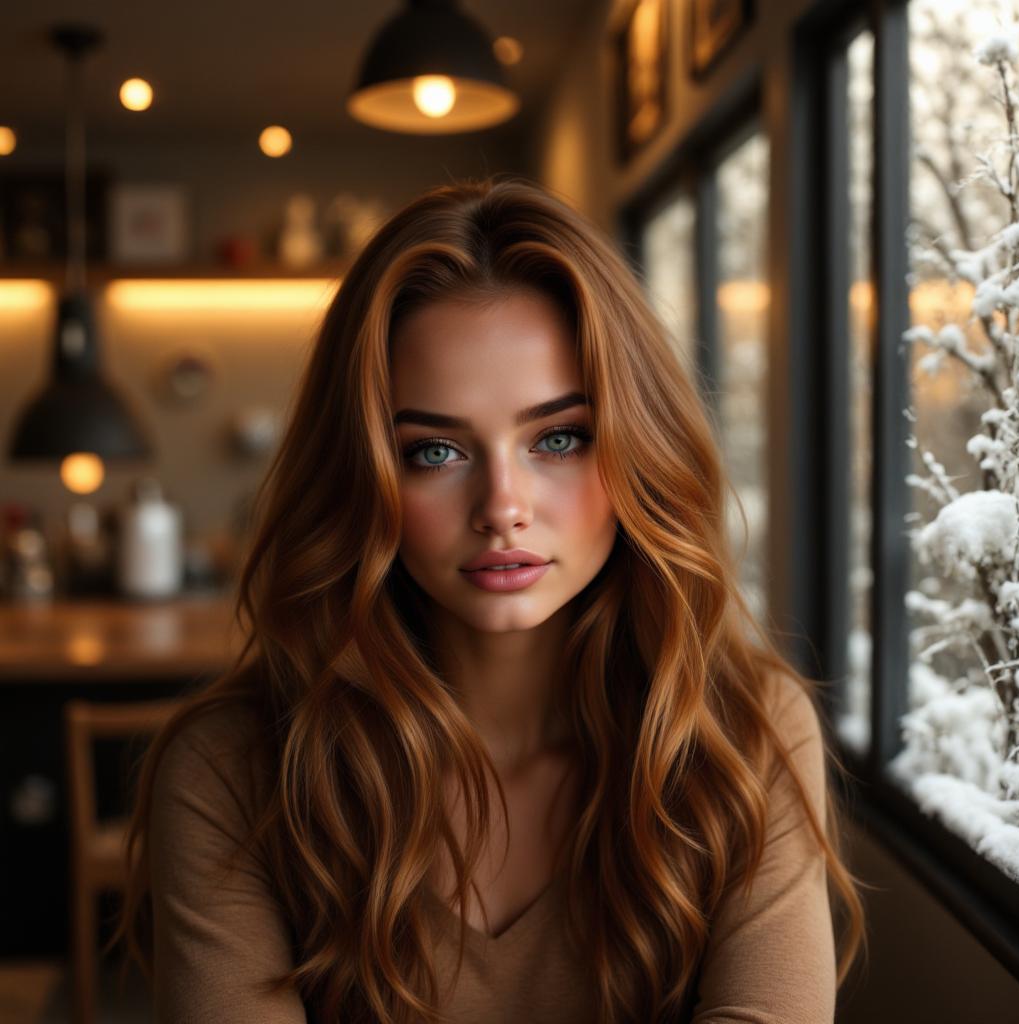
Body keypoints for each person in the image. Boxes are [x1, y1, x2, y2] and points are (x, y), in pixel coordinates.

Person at [111, 175, 867, 1023]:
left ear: (639, 447)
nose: (503, 506)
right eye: (435, 451)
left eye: (559, 438)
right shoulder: (231, 769)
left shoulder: (746, 735)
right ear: (361, 477)